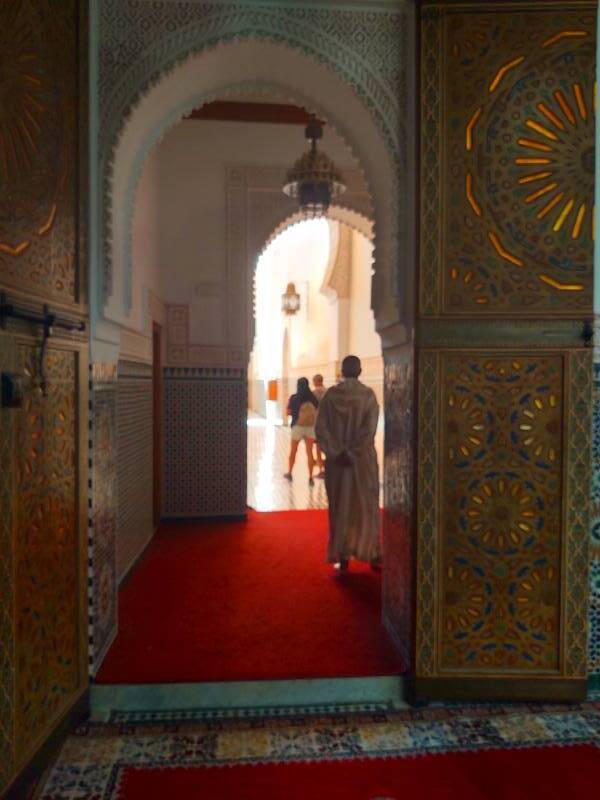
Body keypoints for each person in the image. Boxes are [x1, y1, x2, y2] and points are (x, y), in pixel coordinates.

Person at [315, 355, 381, 572]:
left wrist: (336, 452)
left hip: (337, 465)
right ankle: (370, 552)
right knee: (366, 507)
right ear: (360, 371)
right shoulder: (368, 396)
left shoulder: (330, 397)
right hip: (361, 463)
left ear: (342, 372)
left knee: (340, 508)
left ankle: (342, 556)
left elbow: (321, 428)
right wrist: (352, 454)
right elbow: (368, 431)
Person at [284, 377, 319, 485]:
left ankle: (290, 473)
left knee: (293, 451)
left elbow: (288, 412)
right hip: (310, 428)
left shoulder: (294, 397)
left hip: (297, 427)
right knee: (309, 453)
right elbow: (317, 410)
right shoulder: (313, 397)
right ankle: (310, 477)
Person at [312, 374, 327, 478]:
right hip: (328, 423)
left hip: (317, 423)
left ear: (315, 381)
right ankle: (327, 468)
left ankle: (321, 469)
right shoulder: (328, 392)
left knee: (318, 447)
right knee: (327, 446)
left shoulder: (313, 394)